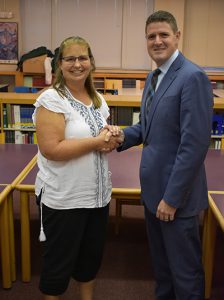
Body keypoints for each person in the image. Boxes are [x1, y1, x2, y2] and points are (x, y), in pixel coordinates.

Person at [111, 10, 213, 300]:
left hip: (175, 198)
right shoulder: (153, 76)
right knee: (163, 269)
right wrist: (121, 136)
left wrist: (172, 198)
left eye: (163, 35)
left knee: (185, 273)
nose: (157, 41)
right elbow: (147, 127)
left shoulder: (193, 77)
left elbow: (193, 145)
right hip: (152, 193)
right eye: (151, 36)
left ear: (177, 37)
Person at [32, 36, 122, 300]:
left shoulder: (98, 100)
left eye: (83, 58)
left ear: (91, 62)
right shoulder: (51, 99)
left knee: (89, 263)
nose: (77, 64)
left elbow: (104, 143)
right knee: (57, 268)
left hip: (97, 197)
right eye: (70, 58)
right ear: (60, 64)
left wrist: (112, 137)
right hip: (64, 199)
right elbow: (53, 149)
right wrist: (97, 141)